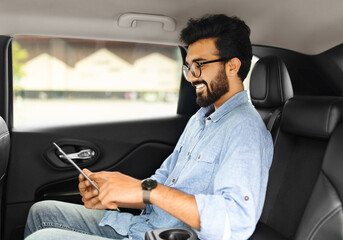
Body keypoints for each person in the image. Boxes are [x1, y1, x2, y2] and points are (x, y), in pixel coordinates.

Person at [24, 14, 273, 240]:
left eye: (200, 65)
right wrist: (116, 192)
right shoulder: (200, 119)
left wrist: (146, 190)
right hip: (144, 226)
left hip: (167, 235)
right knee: (41, 213)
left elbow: (236, 220)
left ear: (232, 66)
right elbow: (163, 183)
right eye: (188, 66)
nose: (191, 76)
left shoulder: (245, 130)